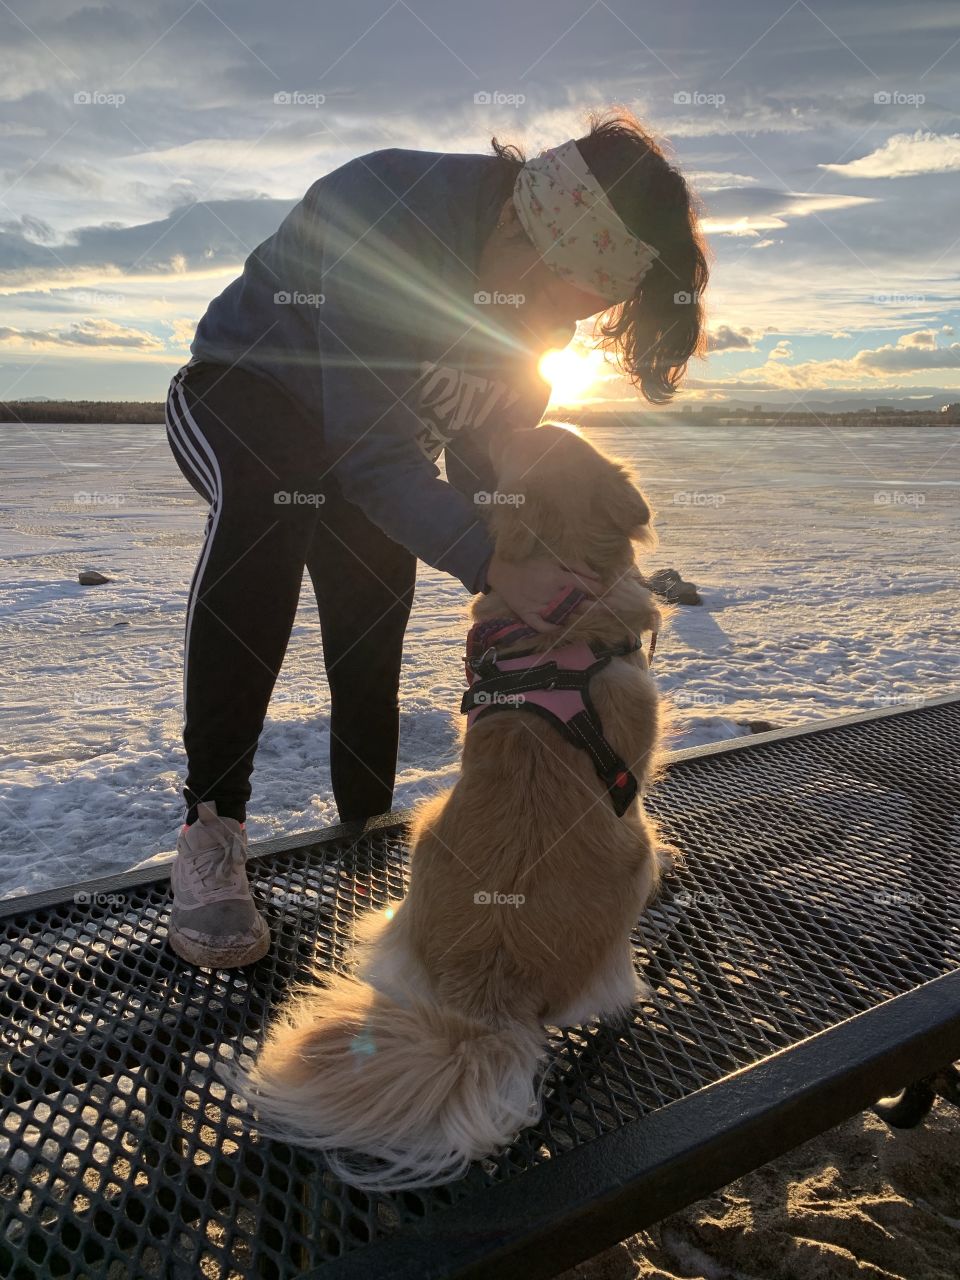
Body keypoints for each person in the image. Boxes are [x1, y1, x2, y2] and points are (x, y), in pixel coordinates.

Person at [164, 109, 709, 967]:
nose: (548, 328)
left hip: (367, 445)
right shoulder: (389, 209)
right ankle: (210, 829)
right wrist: (489, 560)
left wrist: (549, 585)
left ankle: (364, 845)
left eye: (572, 318)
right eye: (547, 302)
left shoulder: (534, 315)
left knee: (375, 614)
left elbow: (484, 467)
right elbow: (372, 451)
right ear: (523, 229)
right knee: (267, 505)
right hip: (243, 388)